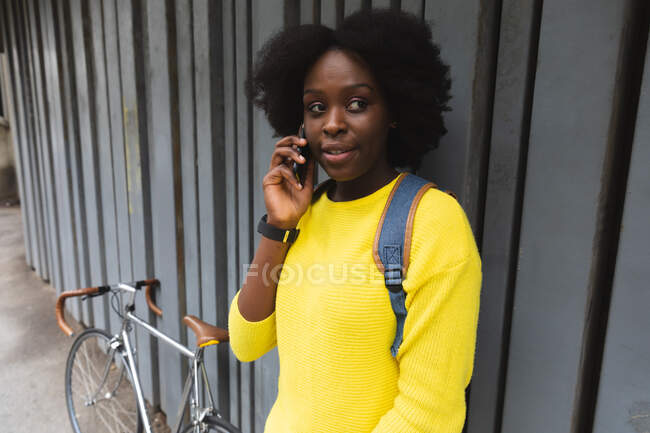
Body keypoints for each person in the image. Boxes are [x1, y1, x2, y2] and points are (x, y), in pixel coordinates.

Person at [228, 8, 482, 433]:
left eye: (357, 104)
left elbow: (428, 416)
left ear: (393, 110)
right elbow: (246, 343)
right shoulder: (302, 216)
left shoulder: (432, 224)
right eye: (315, 107)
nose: (332, 124)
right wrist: (277, 228)